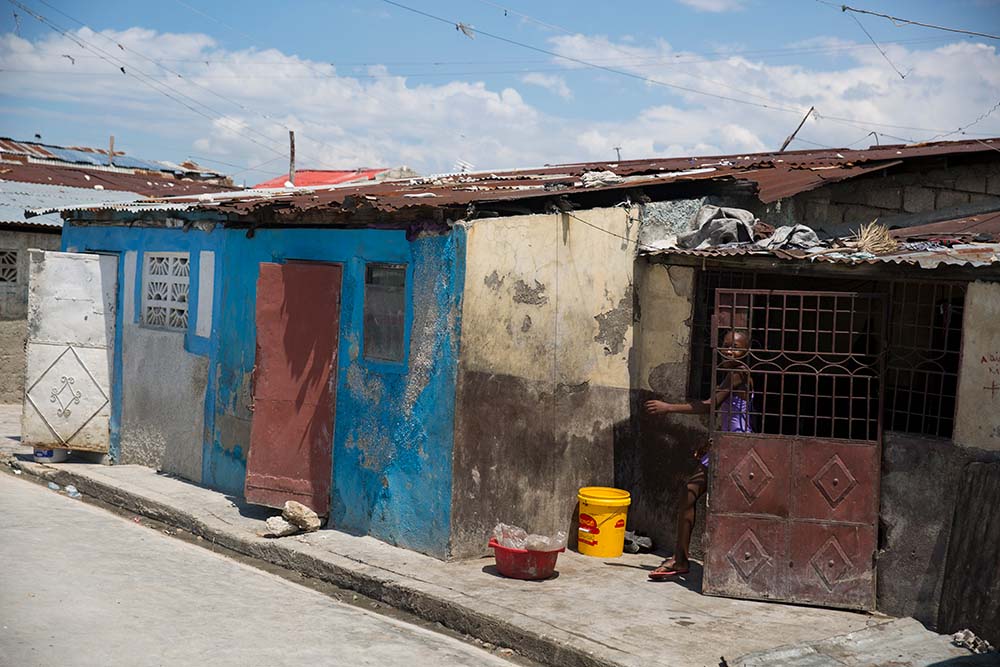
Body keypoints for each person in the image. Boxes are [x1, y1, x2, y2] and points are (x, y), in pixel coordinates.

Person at [642, 329, 752, 580]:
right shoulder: (730, 374)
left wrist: (668, 407)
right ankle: (681, 559)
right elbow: (728, 418)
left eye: (735, 346)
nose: (729, 351)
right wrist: (711, 443)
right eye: (725, 345)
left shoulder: (738, 374)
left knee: (695, 494)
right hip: (725, 446)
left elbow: (709, 405)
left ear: (746, 350)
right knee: (689, 493)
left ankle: (686, 560)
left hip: (738, 450)